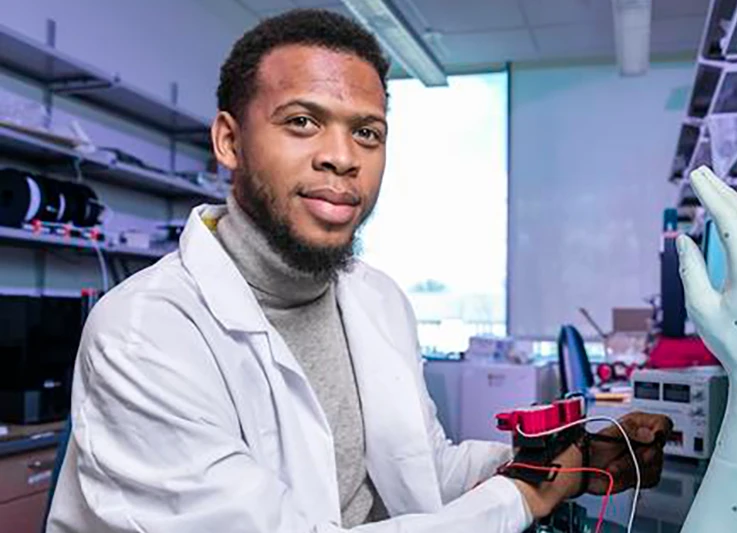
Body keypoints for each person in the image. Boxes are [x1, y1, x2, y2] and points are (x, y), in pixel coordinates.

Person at [46, 9, 673, 533]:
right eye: (302, 122)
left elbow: (422, 471)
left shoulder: (376, 300)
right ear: (229, 142)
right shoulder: (145, 332)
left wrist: (561, 460)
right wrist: (519, 500)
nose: (343, 158)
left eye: (367, 133)